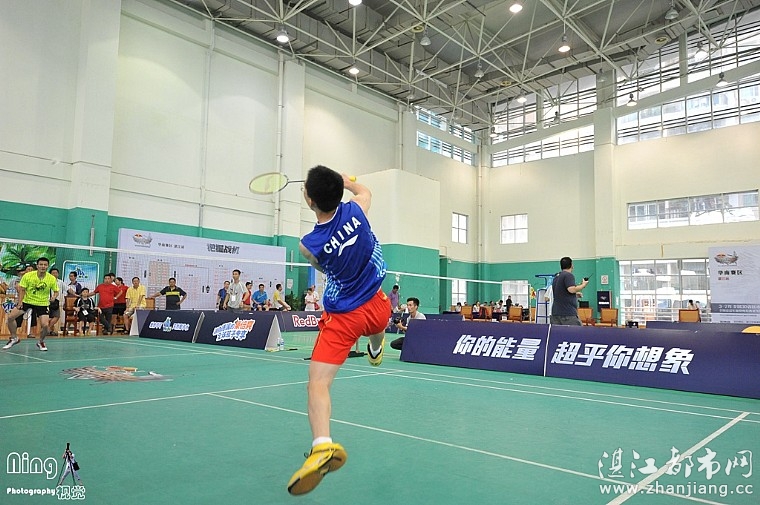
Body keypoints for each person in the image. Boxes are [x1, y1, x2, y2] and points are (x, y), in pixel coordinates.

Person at [287, 166, 390, 496]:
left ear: (310, 200)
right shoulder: (357, 210)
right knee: (378, 328)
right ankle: (376, 349)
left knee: (318, 383)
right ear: (339, 192)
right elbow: (365, 191)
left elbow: (322, 265)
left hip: (344, 316)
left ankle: (322, 446)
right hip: (378, 304)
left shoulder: (308, 245)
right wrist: (346, 181)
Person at [2, 257, 58, 351]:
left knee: (45, 325)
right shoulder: (28, 276)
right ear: (37, 266)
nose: (43, 266)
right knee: (10, 317)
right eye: (41, 264)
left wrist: (54, 297)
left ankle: (41, 342)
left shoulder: (51, 278)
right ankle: (14, 338)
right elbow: (22, 289)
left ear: (47, 266)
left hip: (42, 303)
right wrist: (20, 302)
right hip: (27, 301)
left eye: (45, 265)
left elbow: (56, 291)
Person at [550, 257, 589, 326]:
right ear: (571, 265)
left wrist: (575, 295)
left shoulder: (556, 277)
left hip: (555, 314)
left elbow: (561, 293)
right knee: (577, 332)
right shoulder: (568, 275)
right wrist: (583, 285)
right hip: (567, 314)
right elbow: (571, 289)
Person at [47, 267, 67, 336]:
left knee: (56, 316)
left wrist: (76, 294)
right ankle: (49, 330)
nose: (55, 274)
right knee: (47, 317)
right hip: (46, 301)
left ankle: (48, 329)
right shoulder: (46, 281)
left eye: (56, 273)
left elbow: (68, 289)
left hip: (56, 302)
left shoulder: (60, 282)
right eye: (53, 273)